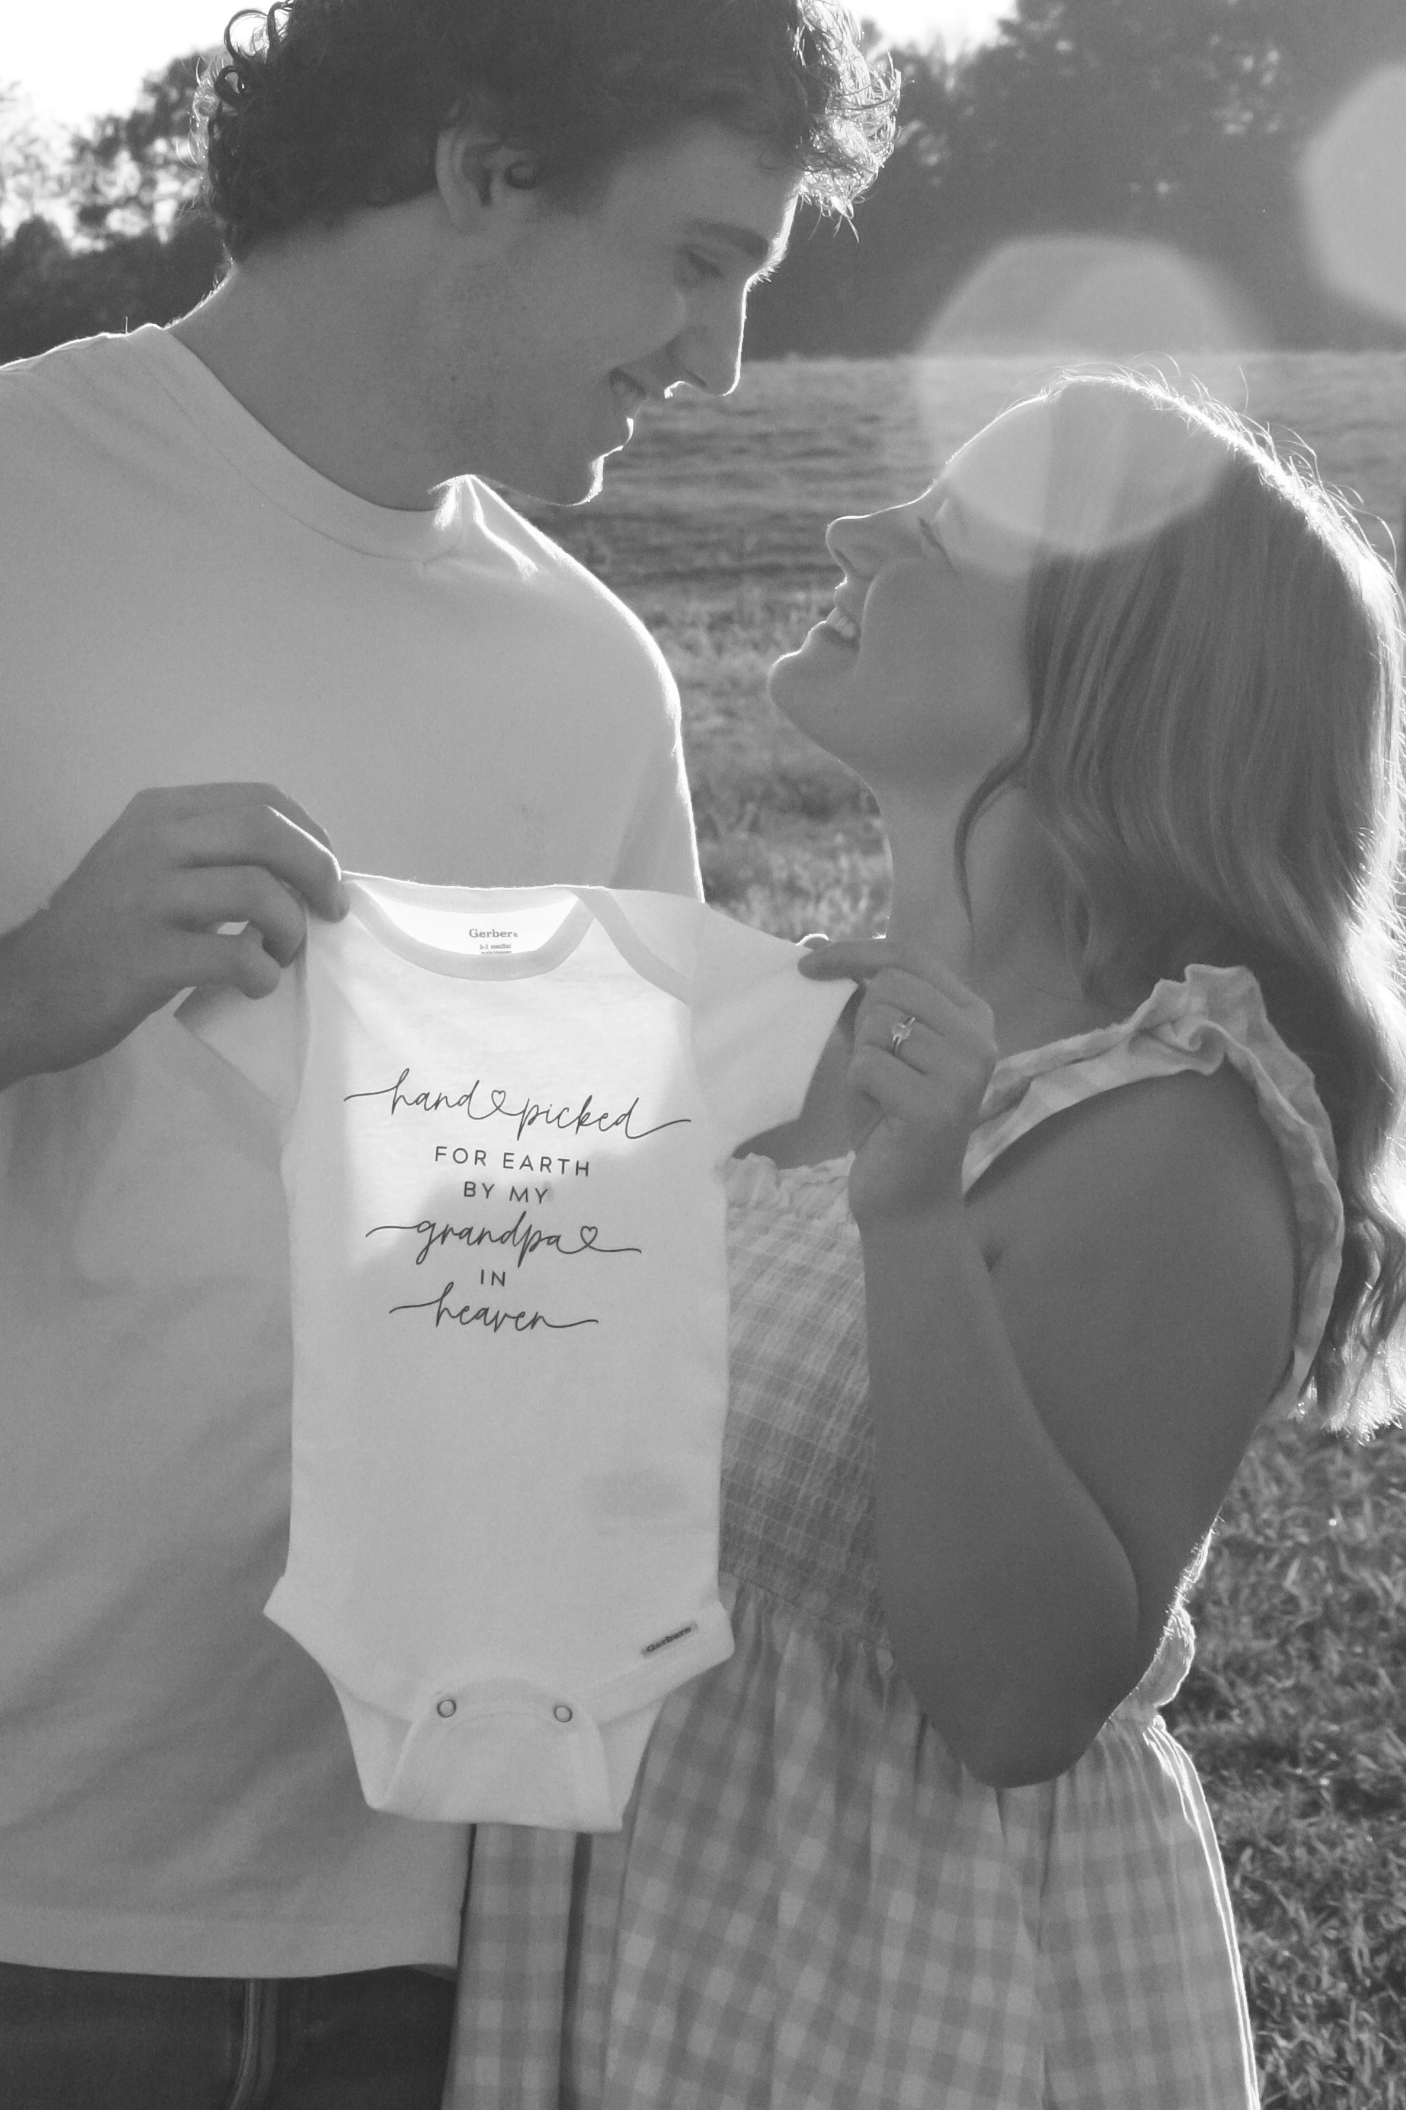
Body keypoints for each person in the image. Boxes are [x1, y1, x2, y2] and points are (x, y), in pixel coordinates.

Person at [0, 0, 893, 2110]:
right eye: (694, 260)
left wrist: (782, 1101)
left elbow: (577, 1279)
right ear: (482, 169)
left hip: (415, 1948)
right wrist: (15, 992)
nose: (722, 362)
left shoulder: (591, 679)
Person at [449, 370, 1406, 2109]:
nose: (853, 528)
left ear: (1107, 683)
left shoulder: (1172, 1134)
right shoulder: (776, 1024)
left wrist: (910, 1222)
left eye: (947, 533)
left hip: (874, 1985)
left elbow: (1018, 1698)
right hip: (624, 1933)